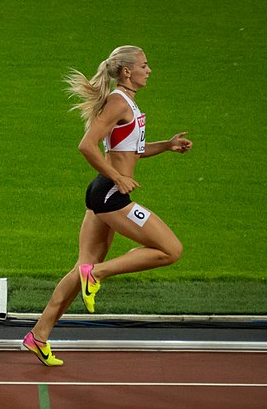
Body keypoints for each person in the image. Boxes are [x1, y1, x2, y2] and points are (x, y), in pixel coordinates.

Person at [22, 45, 193, 366]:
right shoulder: (117, 102)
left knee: (79, 268)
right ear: (127, 71)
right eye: (144, 65)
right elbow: (86, 145)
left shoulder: (126, 102)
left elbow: (132, 152)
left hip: (103, 193)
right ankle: (97, 274)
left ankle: (38, 335)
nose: (149, 70)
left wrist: (167, 146)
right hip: (112, 195)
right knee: (171, 250)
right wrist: (117, 176)